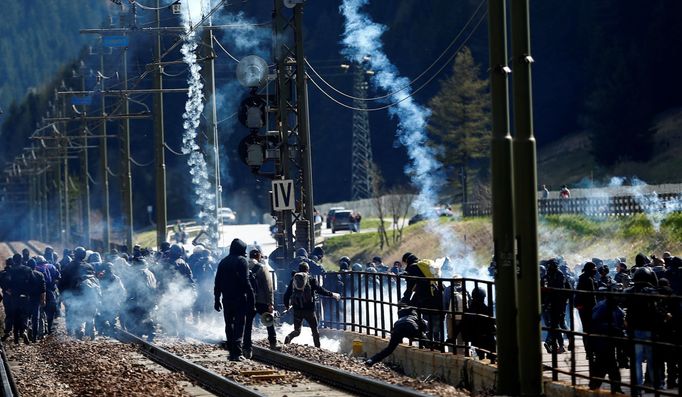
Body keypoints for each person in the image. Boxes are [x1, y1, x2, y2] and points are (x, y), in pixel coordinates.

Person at [214, 238, 255, 361]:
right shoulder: (242, 261)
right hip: (239, 299)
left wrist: (216, 299)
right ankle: (237, 353)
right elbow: (246, 282)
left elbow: (217, 282)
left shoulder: (223, 262)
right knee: (239, 325)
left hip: (226, 299)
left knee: (229, 325)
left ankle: (232, 352)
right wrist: (252, 300)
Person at [283, 262, 340, 348]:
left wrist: (287, 305)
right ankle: (317, 347)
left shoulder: (294, 280)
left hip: (297, 309)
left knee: (297, 331)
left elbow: (286, 294)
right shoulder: (311, 279)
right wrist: (332, 294)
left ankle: (289, 337)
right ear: (307, 269)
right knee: (314, 330)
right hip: (309, 310)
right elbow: (320, 290)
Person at [588, 287, 625, 393]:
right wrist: (612, 327)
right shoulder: (604, 306)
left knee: (602, 366)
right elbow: (595, 321)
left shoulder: (613, 307)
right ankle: (615, 387)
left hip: (607, 341)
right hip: (602, 341)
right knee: (610, 366)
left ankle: (595, 385)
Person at [243, 249, 279, 357]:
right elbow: (269, 287)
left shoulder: (244, 267)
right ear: (258, 256)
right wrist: (270, 303)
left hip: (249, 300)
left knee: (248, 325)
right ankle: (273, 343)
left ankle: (247, 348)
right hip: (262, 301)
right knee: (269, 321)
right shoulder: (262, 268)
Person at [124, 256, 157, 341]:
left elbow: (140, 287)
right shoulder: (150, 273)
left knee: (140, 316)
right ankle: (147, 333)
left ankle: (149, 333)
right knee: (146, 316)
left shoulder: (141, 273)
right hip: (150, 298)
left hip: (142, 298)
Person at [542, 259, 571, 354]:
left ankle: (560, 345)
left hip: (559, 303)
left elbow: (560, 290)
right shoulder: (548, 275)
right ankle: (563, 343)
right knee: (560, 324)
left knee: (557, 324)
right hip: (551, 303)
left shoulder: (559, 275)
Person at [462, 287, 496, 362]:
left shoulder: (469, 310)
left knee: (479, 356)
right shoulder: (486, 309)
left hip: (475, 339)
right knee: (492, 355)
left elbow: (464, 325)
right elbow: (491, 325)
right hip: (486, 338)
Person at [96, 262, 126, 336]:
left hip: (105, 301)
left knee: (103, 316)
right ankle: (111, 331)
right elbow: (122, 290)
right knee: (111, 317)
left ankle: (102, 330)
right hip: (112, 301)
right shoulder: (116, 278)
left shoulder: (101, 276)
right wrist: (121, 299)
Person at [575, 261, 597, 360]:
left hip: (583, 308)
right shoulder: (588, 279)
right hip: (589, 308)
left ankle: (589, 352)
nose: (595, 270)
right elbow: (592, 296)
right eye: (594, 269)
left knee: (586, 330)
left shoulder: (582, 277)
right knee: (591, 330)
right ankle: (591, 351)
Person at [34, 256, 60, 335]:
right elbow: (58, 277)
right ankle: (49, 328)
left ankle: (41, 330)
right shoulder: (51, 266)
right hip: (51, 292)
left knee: (40, 311)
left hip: (39, 293)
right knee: (51, 311)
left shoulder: (35, 268)